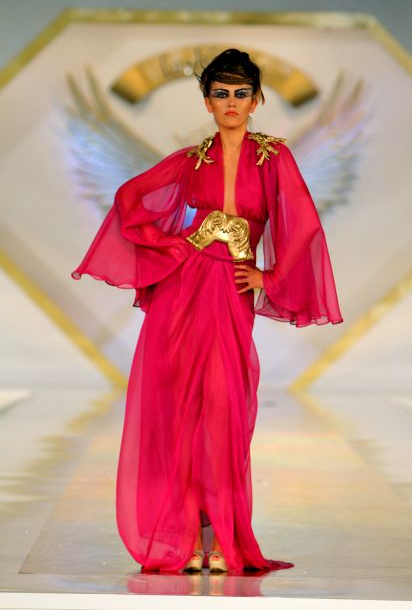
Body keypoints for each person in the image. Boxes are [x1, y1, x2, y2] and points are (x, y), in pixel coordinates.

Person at [71, 48, 343, 575]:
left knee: (223, 411)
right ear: (207, 102)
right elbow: (129, 199)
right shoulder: (192, 160)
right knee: (182, 412)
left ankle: (222, 539)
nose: (231, 102)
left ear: (257, 100)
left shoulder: (273, 158)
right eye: (221, 94)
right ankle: (187, 541)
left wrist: (270, 277)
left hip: (230, 292)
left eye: (241, 93)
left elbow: (304, 225)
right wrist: (175, 246)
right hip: (185, 289)